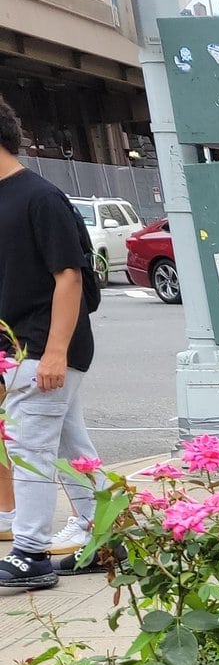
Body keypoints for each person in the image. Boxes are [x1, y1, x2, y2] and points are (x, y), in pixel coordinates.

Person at [0, 95, 99, 591]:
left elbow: (69, 276)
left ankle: (30, 553)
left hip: (44, 348)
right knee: (69, 447)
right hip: (21, 350)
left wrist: (55, 350)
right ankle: (105, 534)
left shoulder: (39, 197)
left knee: (29, 448)